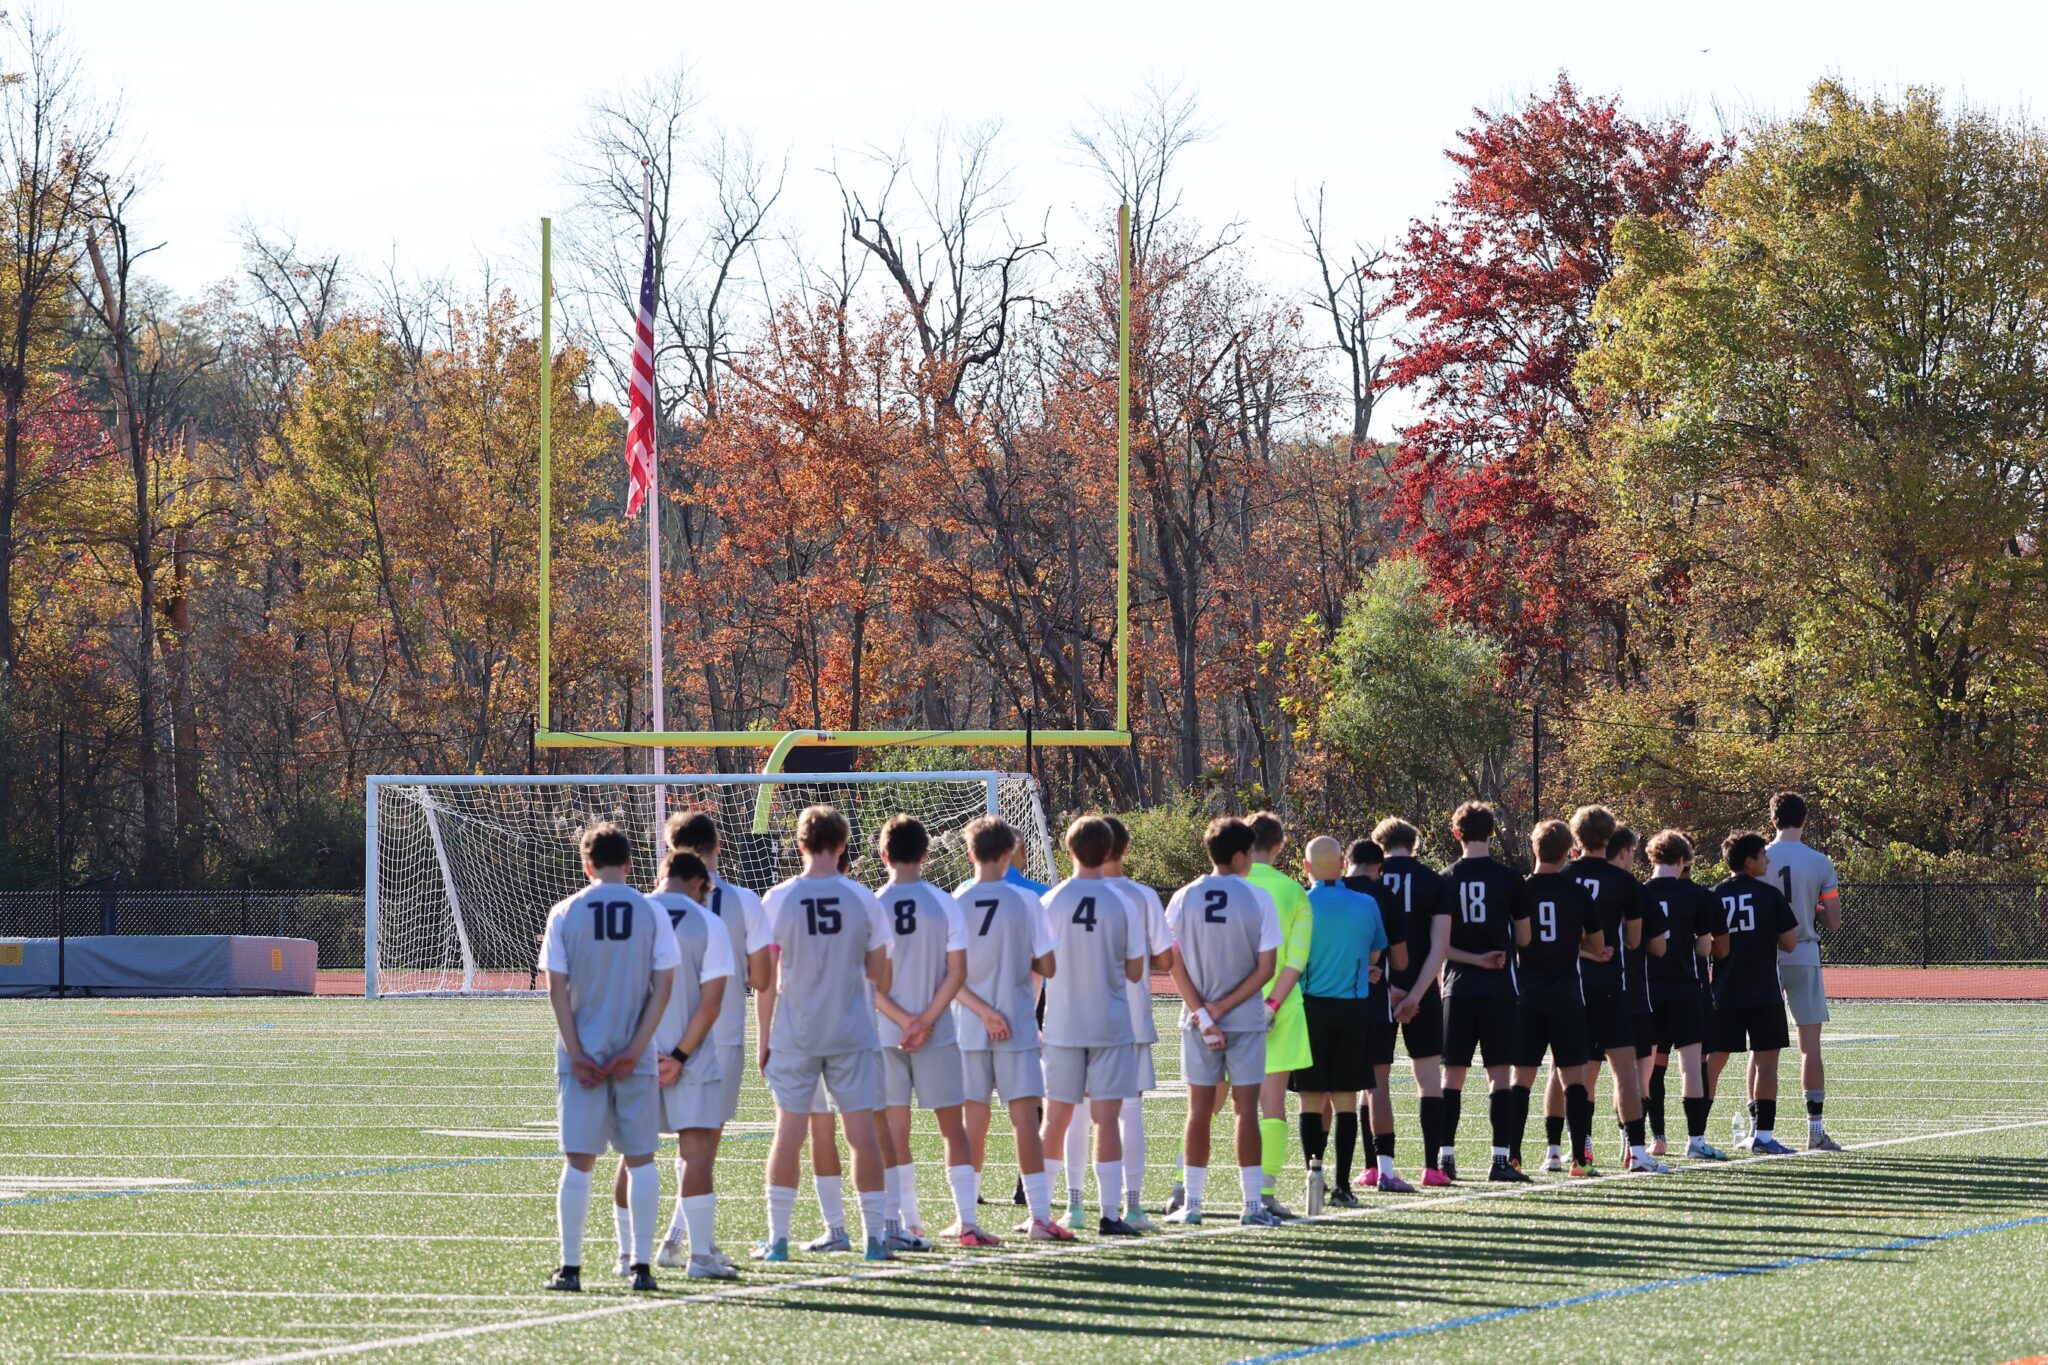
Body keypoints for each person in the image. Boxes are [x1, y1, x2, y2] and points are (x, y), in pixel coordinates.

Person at [539, 823, 678, 1293]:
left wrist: (577, 1052)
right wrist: (637, 1049)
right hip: (634, 1054)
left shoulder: (566, 911)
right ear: (630, 864)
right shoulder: (651, 911)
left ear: (586, 864)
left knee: (578, 1163)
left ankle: (572, 1268)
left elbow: (556, 988)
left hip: (583, 1055)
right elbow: (664, 987)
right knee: (641, 1160)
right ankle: (641, 1267)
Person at [756, 805, 897, 1263]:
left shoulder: (777, 898)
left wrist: (764, 1038)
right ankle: (875, 1239)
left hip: (797, 1031)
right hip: (852, 1028)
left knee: (789, 1133)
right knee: (862, 1134)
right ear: (842, 846)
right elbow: (881, 974)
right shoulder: (863, 898)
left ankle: (778, 1240)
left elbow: (765, 981)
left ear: (800, 844)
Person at [615, 850, 734, 1280]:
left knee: (633, 1156)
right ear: (700, 883)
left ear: (662, 874)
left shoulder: (633, 914)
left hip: (636, 1053)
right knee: (697, 1152)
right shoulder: (709, 923)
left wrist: (643, 1052)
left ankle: (628, 1254)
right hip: (694, 1056)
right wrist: (680, 1055)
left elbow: (617, 989)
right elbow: (712, 1001)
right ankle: (700, 1257)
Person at [659, 812, 771, 1269]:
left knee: (642, 1148)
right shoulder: (742, 901)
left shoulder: (650, 903)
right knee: (702, 1147)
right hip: (718, 1036)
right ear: (717, 846)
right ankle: (686, 1244)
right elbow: (763, 978)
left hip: (659, 1039)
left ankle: (645, 1248)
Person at [953, 816, 1067, 1243]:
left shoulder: (957, 899)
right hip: (1018, 1020)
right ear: (1010, 854)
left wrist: (981, 1011)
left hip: (970, 1025)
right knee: (1024, 1117)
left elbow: (949, 975)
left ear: (970, 854)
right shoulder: (1026, 902)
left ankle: (966, 1218)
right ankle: (1039, 1216)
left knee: (973, 1119)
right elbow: (1049, 965)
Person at [1162, 817, 1281, 1226]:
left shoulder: (1183, 896)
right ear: (1238, 855)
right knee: (1246, 1110)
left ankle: (1191, 1205)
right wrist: (1223, 1007)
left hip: (1197, 1020)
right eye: (1248, 853)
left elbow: (1171, 961)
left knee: (1198, 1111)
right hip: (1244, 1019)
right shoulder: (1257, 898)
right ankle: (1251, 1207)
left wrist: (1202, 1011)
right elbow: (1266, 969)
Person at [870, 814, 977, 1253]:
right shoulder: (944, 902)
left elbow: (868, 978)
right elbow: (958, 973)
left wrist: (902, 1020)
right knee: (953, 1127)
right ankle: (967, 1221)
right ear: (926, 855)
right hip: (936, 1030)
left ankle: (905, 1221)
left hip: (883, 1031)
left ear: (883, 855)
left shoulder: (871, 903)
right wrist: (926, 1020)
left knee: (895, 1130)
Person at [1038, 817, 1145, 1238]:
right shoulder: (1124, 903)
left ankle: (1042, 1213)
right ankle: (1109, 1213)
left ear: (1069, 850)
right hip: (1109, 1023)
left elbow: (1039, 963)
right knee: (1107, 1118)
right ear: (1110, 851)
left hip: (1063, 1022)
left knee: (1057, 1119)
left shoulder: (1052, 900)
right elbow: (1137, 970)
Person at [1556, 806, 1668, 1174]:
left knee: (1573, 1071)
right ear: (1611, 838)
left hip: (1570, 985)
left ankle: (1568, 1149)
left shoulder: (1561, 876)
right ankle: (1636, 1151)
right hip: (1610, 985)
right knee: (1625, 1071)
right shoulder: (1625, 883)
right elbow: (1634, 941)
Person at [1438, 802, 1528, 1181]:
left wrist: (1472, 959)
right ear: (1492, 832)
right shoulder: (1510, 879)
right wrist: (1494, 955)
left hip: (1457, 988)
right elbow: (1523, 938)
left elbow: (1439, 945)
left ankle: (1444, 1159)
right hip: (1498, 987)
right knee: (1499, 1074)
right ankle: (1499, 1160)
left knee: (1451, 1076)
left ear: (1457, 834)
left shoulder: (1443, 878)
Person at [1295, 836, 1386, 1205]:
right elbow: (1376, 953)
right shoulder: (1366, 903)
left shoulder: (1301, 902)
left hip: (1311, 1006)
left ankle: (1312, 1178)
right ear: (1342, 864)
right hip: (1353, 1007)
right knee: (1346, 1099)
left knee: (1310, 1100)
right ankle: (1344, 1186)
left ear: (1306, 867)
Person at [1507, 821, 1598, 1180]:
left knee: (1521, 1077)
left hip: (1526, 994)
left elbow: (1515, 940)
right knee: (1573, 1078)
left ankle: (1512, 1155)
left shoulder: (1521, 890)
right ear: (1567, 852)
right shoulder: (1577, 892)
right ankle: (1579, 1159)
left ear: (1534, 848)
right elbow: (1596, 943)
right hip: (1566, 995)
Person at [1098, 815, 1176, 1229]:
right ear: (1125, 849)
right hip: (1128, 1015)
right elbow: (1165, 958)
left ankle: (1074, 1205)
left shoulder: (1059, 894)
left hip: (1076, 1015)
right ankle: (1130, 1204)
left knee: (1074, 1112)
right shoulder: (1142, 895)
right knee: (1129, 1111)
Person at [1707, 830, 1801, 1155]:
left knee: (1712, 1062)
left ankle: (1697, 1135)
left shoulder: (1714, 894)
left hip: (1724, 991)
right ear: (1750, 861)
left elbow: (1707, 944)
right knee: (1766, 1064)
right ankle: (1763, 1135)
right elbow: (1789, 943)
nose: (1768, 859)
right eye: (1763, 854)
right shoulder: (1769, 895)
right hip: (1763, 991)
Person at [1640, 830, 1727, 1162]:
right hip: (1686, 988)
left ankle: (1655, 1139)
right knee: (1691, 1067)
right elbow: (1706, 947)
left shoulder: (1640, 892)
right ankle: (1696, 1140)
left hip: (1648, 989)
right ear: (1683, 860)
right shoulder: (1697, 896)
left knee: (1649, 1068)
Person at [1375, 818, 1452, 1188]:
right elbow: (1440, 948)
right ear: (1414, 844)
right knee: (1428, 1079)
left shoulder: (1369, 879)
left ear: (1380, 844)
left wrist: (1390, 989)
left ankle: (1377, 1166)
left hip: (1376, 990)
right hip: (1422, 991)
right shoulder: (1434, 881)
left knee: (1373, 1080)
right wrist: (1417, 994)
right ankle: (1431, 1166)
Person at [1764, 792, 1844, 1151]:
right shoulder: (1820, 861)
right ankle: (1815, 1130)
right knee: (1809, 1047)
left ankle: (1759, 1129)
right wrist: (1814, 907)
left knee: (1762, 1049)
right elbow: (1834, 921)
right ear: (1805, 819)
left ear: (1773, 819)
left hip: (1765, 957)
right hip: (1805, 953)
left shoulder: (1758, 856)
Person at [1242, 812, 1313, 1216]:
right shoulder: (1292, 892)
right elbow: (1297, 960)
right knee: (1272, 1101)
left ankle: (1184, 1186)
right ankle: (1265, 1191)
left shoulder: (1220, 887)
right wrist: (1271, 1004)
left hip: (1225, 1006)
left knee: (1212, 1103)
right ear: (1280, 845)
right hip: (1278, 1006)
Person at [1337, 839, 1416, 1196]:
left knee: (1329, 1091)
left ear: (1346, 863)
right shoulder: (1383, 896)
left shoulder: (1323, 892)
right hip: (1372, 1000)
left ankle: (1322, 1171)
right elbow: (1400, 962)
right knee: (1377, 1086)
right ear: (1379, 866)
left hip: (1328, 999)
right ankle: (1384, 1170)